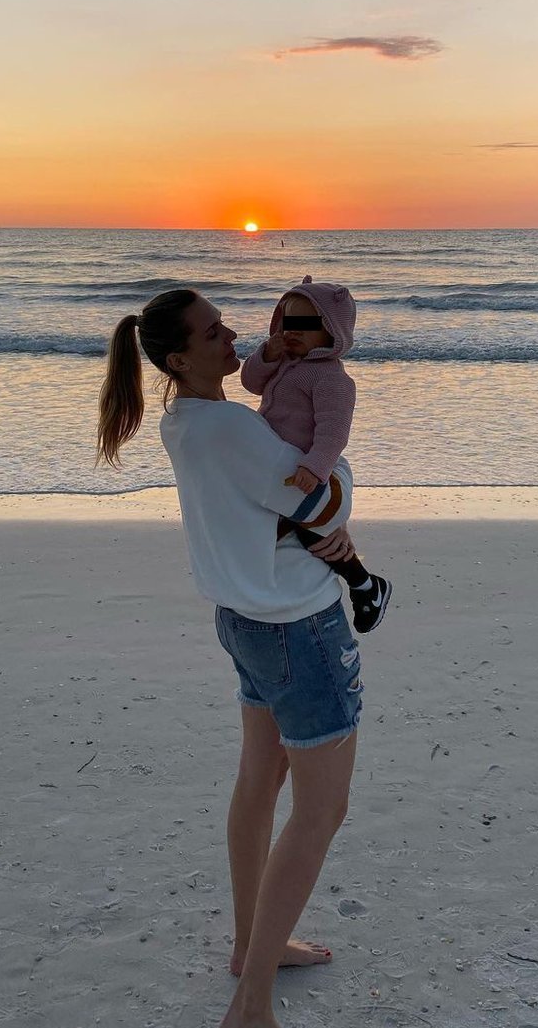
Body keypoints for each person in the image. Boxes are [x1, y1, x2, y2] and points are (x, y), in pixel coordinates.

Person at [97, 288, 366, 1028]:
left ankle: (254, 947)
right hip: (295, 623)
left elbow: (272, 501)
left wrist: (310, 513)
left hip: (245, 617)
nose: (236, 335)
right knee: (322, 808)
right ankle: (251, 1005)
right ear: (180, 358)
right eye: (216, 332)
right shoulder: (229, 431)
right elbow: (319, 503)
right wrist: (339, 504)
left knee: (262, 776)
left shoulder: (183, 422)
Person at [240, 275, 391, 633]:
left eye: (307, 324)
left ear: (332, 330)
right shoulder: (284, 363)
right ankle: (365, 584)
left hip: (304, 468)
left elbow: (333, 432)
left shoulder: (332, 379)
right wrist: (267, 354)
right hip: (280, 466)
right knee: (300, 528)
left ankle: (364, 585)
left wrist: (316, 467)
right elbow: (250, 382)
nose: (294, 332)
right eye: (289, 322)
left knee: (307, 531)